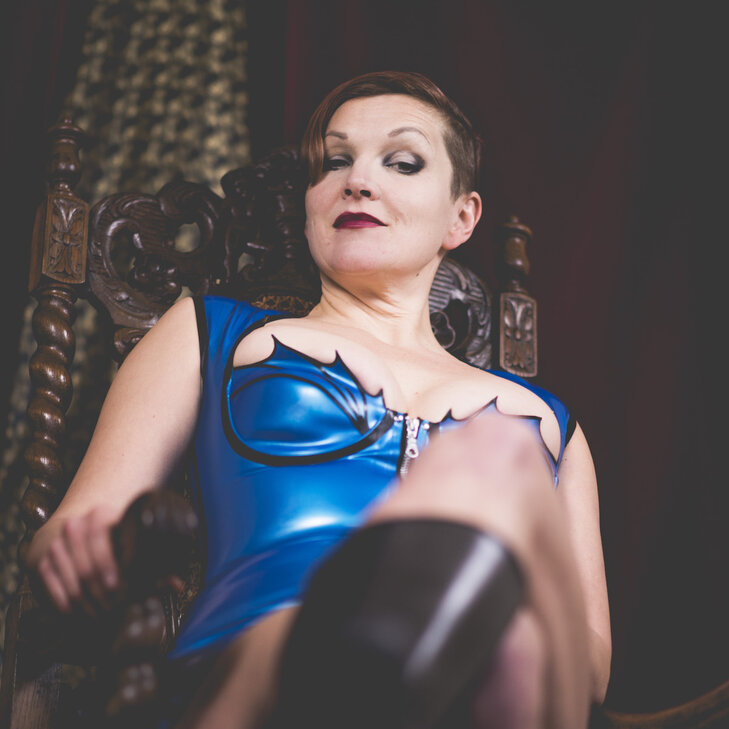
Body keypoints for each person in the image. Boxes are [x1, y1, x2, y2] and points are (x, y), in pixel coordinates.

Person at [27, 71, 611, 728]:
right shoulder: (208, 332)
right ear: (308, 205)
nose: (357, 180)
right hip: (253, 684)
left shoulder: (549, 424)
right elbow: (70, 531)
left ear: (461, 216)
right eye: (335, 162)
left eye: (402, 162)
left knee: (504, 490)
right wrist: (83, 550)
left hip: (476, 687)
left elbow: (589, 670)